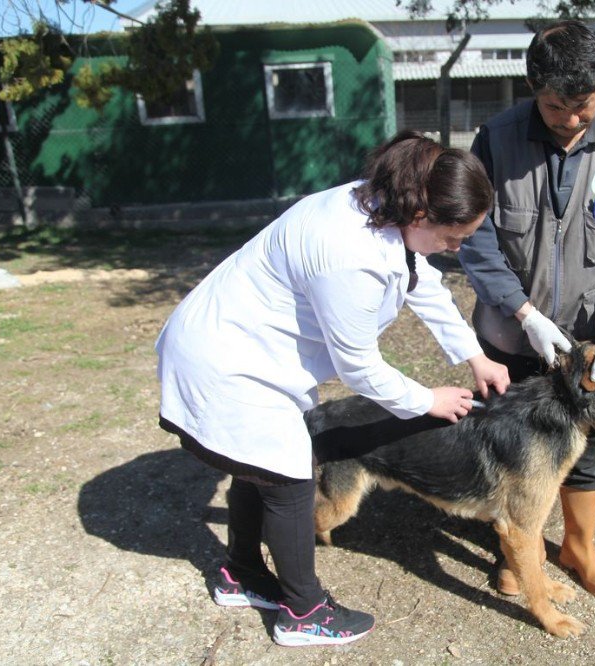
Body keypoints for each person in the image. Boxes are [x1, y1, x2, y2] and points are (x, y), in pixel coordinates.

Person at [156, 131, 510, 647]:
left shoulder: (385, 205)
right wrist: (426, 400)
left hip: (243, 346)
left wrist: (473, 354)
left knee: (258, 465)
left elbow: (420, 280)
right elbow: (359, 367)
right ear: (420, 216)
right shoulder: (349, 253)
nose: (456, 249)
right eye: (454, 238)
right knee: (287, 476)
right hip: (226, 359)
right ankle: (302, 612)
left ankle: (240, 574)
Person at [458, 19, 595, 602]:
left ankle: (579, 546)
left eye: (584, 105)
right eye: (556, 106)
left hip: (593, 337)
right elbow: (475, 238)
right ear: (533, 89)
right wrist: (522, 311)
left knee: (588, 443)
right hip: (512, 331)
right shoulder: (496, 139)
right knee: (510, 445)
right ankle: (518, 551)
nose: (572, 119)